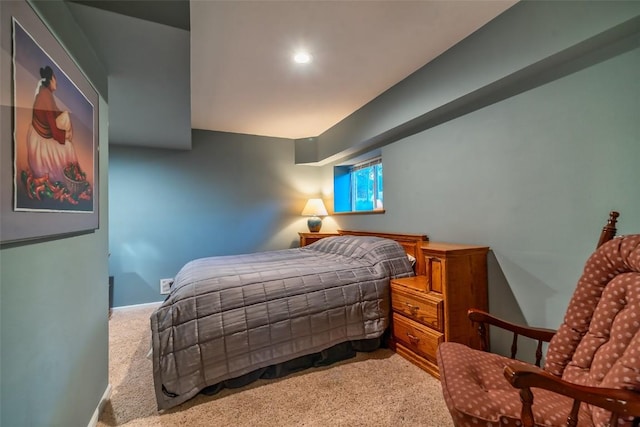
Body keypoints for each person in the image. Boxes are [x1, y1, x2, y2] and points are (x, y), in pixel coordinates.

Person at [26, 65, 78, 184]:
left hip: (42, 134)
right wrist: (65, 136)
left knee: (65, 115)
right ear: (50, 80)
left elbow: (55, 113)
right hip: (40, 142)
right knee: (69, 147)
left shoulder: (46, 94)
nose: (57, 83)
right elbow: (54, 131)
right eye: (55, 79)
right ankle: (68, 178)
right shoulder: (46, 96)